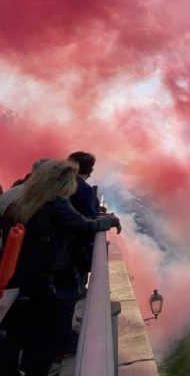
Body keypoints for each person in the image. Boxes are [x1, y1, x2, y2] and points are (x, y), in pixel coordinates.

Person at [0, 159, 120, 376]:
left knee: (20, 333)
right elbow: (84, 225)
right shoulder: (55, 204)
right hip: (49, 283)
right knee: (46, 338)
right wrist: (109, 221)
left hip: (23, 279)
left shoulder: (22, 202)